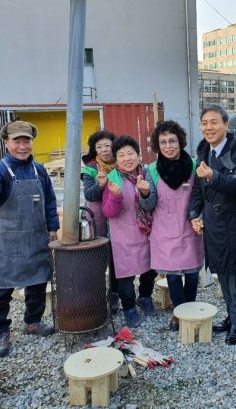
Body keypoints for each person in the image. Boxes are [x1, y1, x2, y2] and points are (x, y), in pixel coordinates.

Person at [0, 121, 59, 357]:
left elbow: (50, 202)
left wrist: (53, 227)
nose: (22, 146)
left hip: (36, 238)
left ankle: (33, 321)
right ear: (6, 143)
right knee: (1, 289)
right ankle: (0, 331)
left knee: (37, 283)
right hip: (6, 242)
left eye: (26, 140)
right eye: (17, 141)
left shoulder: (39, 170)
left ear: (32, 142)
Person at [188, 105, 236, 345]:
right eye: (204, 123)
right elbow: (197, 189)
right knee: (222, 272)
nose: (208, 127)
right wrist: (195, 214)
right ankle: (231, 315)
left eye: (214, 122)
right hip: (213, 223)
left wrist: (213, 177)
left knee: (235, 272)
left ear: (226, 124)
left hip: (235, 221)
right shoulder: (204, 152)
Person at [142, 120, 204, 331]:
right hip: (165, 229)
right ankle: (180, 312)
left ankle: (191, 309)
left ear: (181, 142)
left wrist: (199, 216)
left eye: (172, 141)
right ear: (157, 146)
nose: (168, 146)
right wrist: (143, 193)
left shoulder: (195, 166)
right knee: (173, 273)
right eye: (163, 142)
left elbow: (202, 195)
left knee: (193, 271)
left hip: (190, 226)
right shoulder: (151, 170)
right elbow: (148, 205)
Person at [102, 135, 157, 328]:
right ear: (116, 159)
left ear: (138, 155)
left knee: (150, 270)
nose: (127, 158)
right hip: (122, 237)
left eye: (131, 153)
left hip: (146, 233)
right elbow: (108, 211)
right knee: (124, 276)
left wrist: (145, 192)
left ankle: (145, 297)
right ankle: (129, 308)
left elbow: (153, 204)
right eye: (121, 155)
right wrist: (115, 196)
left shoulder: (147, 173)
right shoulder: (113, 178)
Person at [81, 130, 119, 313]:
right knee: (96, 259)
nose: (104, 150)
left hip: (119, 217)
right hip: (96, 219)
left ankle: (115, 297)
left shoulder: (122, 163)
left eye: (107, 145)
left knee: (117, 259)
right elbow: (89, 194)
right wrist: (101, 185)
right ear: (94, 149)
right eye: (99, 146)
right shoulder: (90, 168)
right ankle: (94, 297)